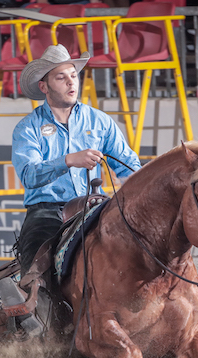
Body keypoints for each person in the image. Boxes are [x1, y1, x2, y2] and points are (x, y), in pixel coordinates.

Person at [11, 44, 141, 277]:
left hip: (94, 207)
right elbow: (29, 175)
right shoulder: (28, 127)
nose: (71, 82)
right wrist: (68, 160)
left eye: (73, 75)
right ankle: (29, 298)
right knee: (35, 261)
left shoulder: (99, 121)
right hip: (48, 210)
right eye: (61, 78)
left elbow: (127, 165)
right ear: (44, 86)